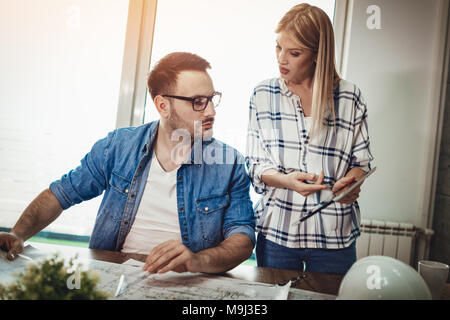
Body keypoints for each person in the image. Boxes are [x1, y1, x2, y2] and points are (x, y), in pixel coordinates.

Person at [0, 52, 255, 275]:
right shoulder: (118, 146)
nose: (211, 111)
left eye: (212, 98)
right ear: (163, 105)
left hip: (191, 283)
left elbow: (242, 238)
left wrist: (196, 261)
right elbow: (62, 193)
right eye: (198, 101)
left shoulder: (229, 162)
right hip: (116, 275)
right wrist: (18, 234)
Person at [245, 4, 374, 274]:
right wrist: (286, 181)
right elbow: (256, 164)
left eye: (294, 53)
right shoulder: (263, 94)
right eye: (278, 48)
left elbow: (361, 162)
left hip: (334, 234)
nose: (282, 59)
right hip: (278, 230)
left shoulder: (350, 97)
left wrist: (351, 182)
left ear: (317, 55)